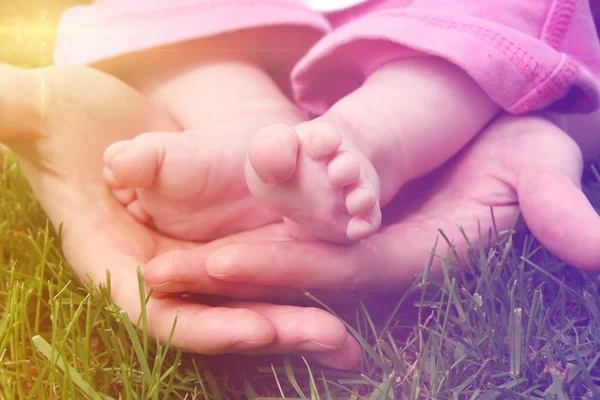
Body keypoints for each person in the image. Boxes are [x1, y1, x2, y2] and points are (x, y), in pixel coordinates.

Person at [52, 0, 600, 244]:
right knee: (158, 14)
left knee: (489, 18)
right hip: (264, 20)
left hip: (430, 30)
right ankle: (248, 122)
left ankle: (373, 133)